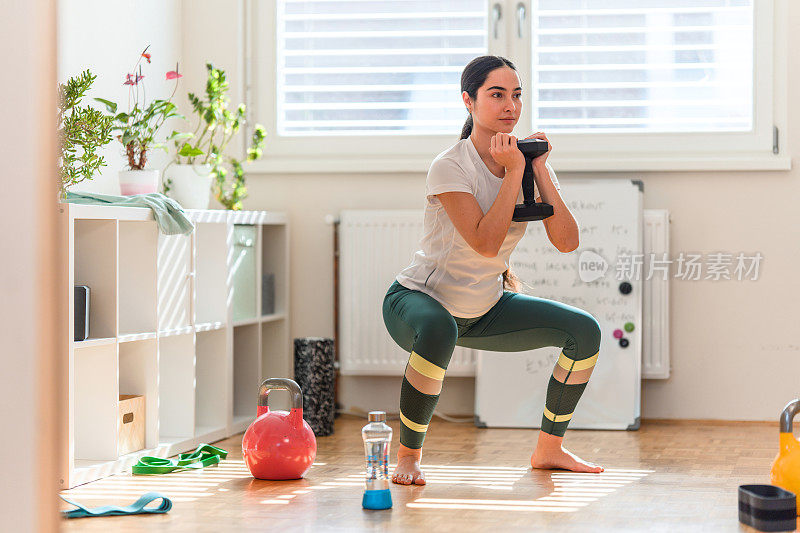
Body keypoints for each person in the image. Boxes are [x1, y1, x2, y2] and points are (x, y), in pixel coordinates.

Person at [382, 55, 605, 486]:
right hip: (419, 301)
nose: (510, 106)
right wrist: (513, 172)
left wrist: (536, 168)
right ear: (469, 101)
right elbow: (485, 244)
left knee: (586, 333)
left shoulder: (527, 162)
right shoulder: (450, 165)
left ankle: (549, 449)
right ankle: (408, 456)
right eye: (497, 95)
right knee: (439, 329)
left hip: (484, 308)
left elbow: (567, 241)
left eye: (516, 95)